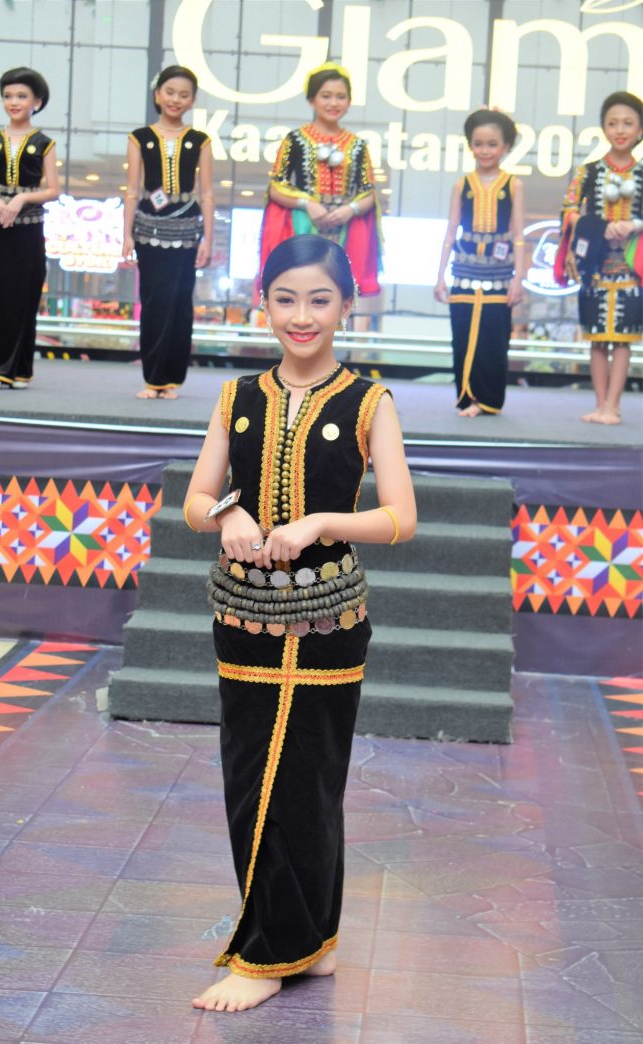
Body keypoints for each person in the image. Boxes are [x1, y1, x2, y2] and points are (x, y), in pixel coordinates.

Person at [183, 235, 416, 1013]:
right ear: (264, 302)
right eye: (285, 299)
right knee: (254, 776)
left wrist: (323, 523)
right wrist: (228, 515)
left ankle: (272, 955)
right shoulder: (236, 397)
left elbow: (402, 517)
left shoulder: (370, 402)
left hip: (328, 617)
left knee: (308, 780)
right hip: (244, 615)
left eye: (319, 299)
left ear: (347, 304)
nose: (302, 315)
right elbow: (197, 499)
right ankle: (307, 939)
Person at [123, 65, 214, 399]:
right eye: (170, 92)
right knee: (153, 301)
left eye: (184, 94)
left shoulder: (200, 140)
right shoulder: (139, 138)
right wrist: (126, 234)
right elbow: (133, 190)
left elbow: (207, 193)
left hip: (188, 229)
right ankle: (153, 379)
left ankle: (171, 379)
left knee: (179, 303)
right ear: (158, 94)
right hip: (148, 228)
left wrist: (208, 238)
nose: (176, 99)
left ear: (192, 101)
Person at [555, 91, 643, 425]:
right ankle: (599, 404)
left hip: (632, 267)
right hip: (594, 266)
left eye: (628, 123)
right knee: (595, 339)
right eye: (612, 123)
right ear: (603, 128)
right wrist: (598, 227)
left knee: (622, 339)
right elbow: (568, 210)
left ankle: (613, 406)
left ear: (640, 129)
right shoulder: (587, 172)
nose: (620, 130)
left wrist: (634, 225)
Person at [257, 61, 381, 298]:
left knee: (340, 290)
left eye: (341, 97)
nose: (333, 103)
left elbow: (368, 193)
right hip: (303, 225)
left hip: (344, 228)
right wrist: (307, 204)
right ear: (311, 100)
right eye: (326, 96)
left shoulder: (357, 145)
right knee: (301, 286)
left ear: (349, 102)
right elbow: (275, 188)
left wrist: (350, 209)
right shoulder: (295, 140)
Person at [434, 109, 525, 417]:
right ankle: (467, 397)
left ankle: (488, 400)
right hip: (464, 269)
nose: (485, 150)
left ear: (506, 147)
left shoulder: (513, 185)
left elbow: (518, 234)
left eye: (492, 144)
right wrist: (440, 276)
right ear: (470, 145)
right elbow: (450, 232)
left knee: (494, 337)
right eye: (478, 144)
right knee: (462, 335)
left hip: (500, 274)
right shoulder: (462, 185)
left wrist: (518, 278)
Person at [0, 67, 60, 389]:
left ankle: (21, 371)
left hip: (29, 230)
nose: (14, 102)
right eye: (8, 96)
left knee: (25, 297)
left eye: (22, 96)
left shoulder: (44, 143)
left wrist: (21, 198)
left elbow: (53, 190)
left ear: (36, 102)